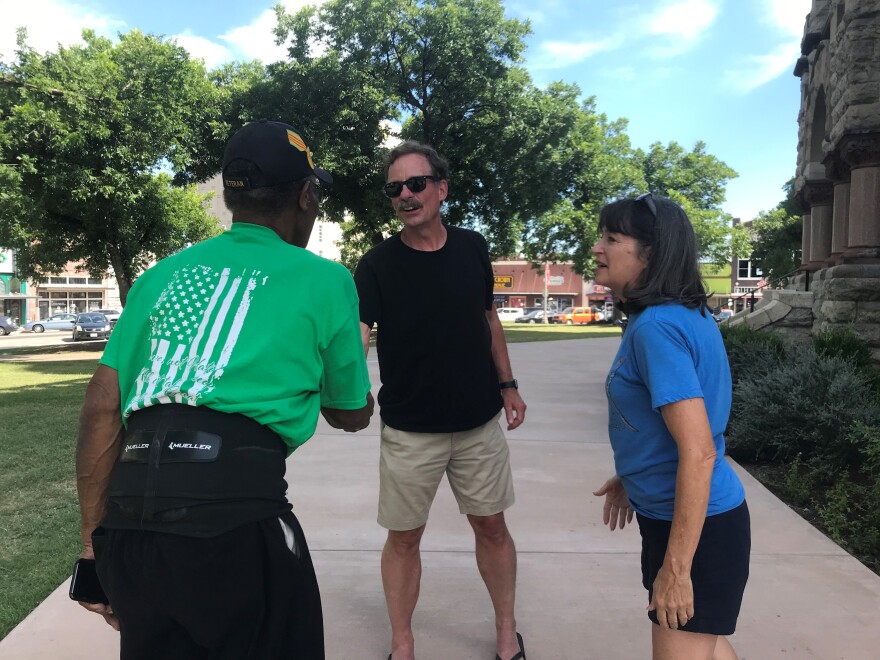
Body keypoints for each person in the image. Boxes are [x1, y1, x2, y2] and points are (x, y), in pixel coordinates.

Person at [74, 119, 374, 659]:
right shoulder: (326, 280)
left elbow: (101, 407)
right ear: (306, 196)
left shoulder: (159, 276)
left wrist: (92, 546)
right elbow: (350, 413)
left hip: (130, 530)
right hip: (235, 527)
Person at [354, 141, 528, 660]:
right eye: (395, 189)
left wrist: (508, 384)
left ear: (441, 188)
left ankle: (504, 632)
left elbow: (487, 318)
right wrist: (350, 389)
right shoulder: (378, 264)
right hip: (410, 430)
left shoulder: (473, 247)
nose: (405, 196)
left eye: (416, 184)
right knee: (404, 539)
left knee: (492, 527)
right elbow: (360, 332)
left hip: (478, 424)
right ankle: (402, 644)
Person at [591, 193, 750, 660]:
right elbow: (671, 427)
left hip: (696, 534)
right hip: (684, 520)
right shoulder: (676, 315)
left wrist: (677, 569)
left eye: (612, 238)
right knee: (709, 648)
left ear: (651, 253)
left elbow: (699, 450)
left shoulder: (656, 327)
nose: (598, 248)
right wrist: (634, 473)